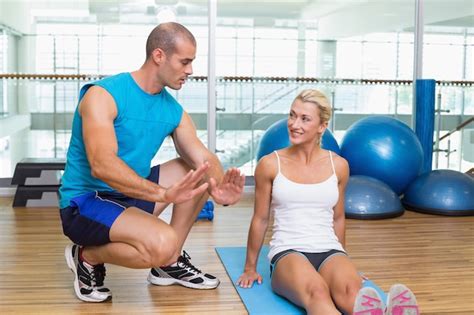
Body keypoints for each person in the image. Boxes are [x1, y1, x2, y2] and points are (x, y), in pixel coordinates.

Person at [59, 22, 245, 303]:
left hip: (129, 197)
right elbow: (102, 164)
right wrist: (162, 194)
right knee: (162, 242)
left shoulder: (173, 110)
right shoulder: (103, 95)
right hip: (85, 203)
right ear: (159, 56)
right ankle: (86, 256)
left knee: (198, 171)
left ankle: (167, 264)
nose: (190, 70)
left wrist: (218, 189)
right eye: (185, 61)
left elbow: (204, 158)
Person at [236, 89, 419, 315]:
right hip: (288, 252)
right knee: (317, 291)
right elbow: (261, 218)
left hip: (330, 250)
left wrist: (345, 263)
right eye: (292, 115)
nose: (294, 124)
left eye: (305, 119)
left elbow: (338, 217)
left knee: (352, 291)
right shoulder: (270, 164)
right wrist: (249, 268)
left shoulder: (339, 165)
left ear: (322, 126)